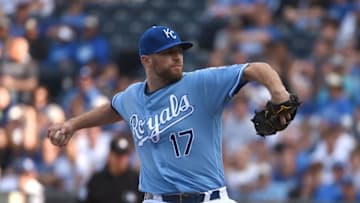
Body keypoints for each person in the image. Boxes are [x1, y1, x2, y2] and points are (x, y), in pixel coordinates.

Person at [47, 25, 293, 203]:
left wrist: (279, 93)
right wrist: (72, 125)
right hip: (158, 199)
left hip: (209, 198)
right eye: (167, 52)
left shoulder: (201, 83)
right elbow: (113, 109)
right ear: (147, 60)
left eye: (179, 50)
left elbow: (256, 68)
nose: (177, 57)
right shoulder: (132, 96)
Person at [84, 136, 143, 203]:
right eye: (118, 155)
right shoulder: (96, 181)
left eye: (125, 155)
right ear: (110, 155)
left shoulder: (137, 181)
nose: (122, 159)